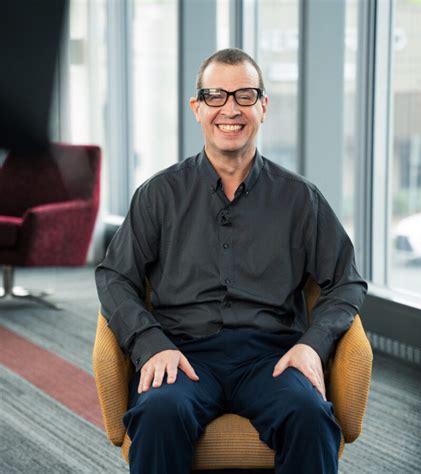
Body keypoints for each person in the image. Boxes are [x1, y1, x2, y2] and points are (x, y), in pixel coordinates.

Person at [95, 48, 367, 474]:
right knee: (159, 413)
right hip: (182, 353)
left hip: (271, 357)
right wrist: (151, 343)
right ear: (197, 107)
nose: (231, 109)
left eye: (245, 95)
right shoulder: (159, 194)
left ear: (263, 106)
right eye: (216, 95)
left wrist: (312, 345)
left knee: (310, 416)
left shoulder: (300, 198)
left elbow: (346, 281)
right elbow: (115, 278)